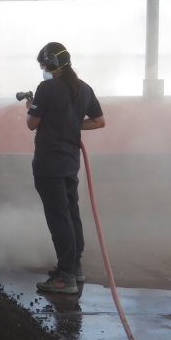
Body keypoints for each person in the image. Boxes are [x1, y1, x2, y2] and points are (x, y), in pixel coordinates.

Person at [24, 42, 106, 294]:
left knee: (59, 219)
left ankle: (65, 277)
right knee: (71, 214)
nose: (43, 70)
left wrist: (30, 108)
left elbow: (32, 124)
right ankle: (75, 266)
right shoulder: (84, 88)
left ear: (51, 65)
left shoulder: (46, 88)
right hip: (70, 164)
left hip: (49, 164)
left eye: (42, 66)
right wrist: (72, 123)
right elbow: (99, 121)